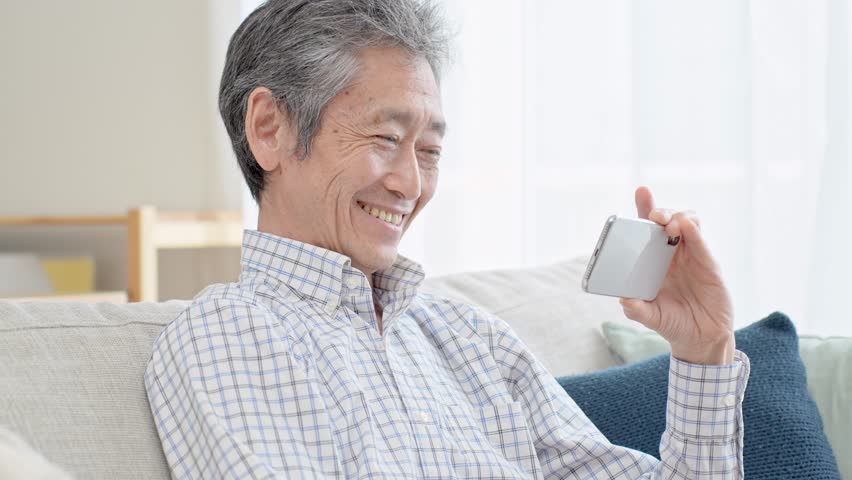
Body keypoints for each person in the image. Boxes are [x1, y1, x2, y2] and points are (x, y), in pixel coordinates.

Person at [145, 0, 750, 478]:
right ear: (269, 129)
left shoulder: (472, 338)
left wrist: (705, 351)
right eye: (385, 137)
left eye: (430, 151)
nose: (412, 183)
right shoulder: (228, 335)